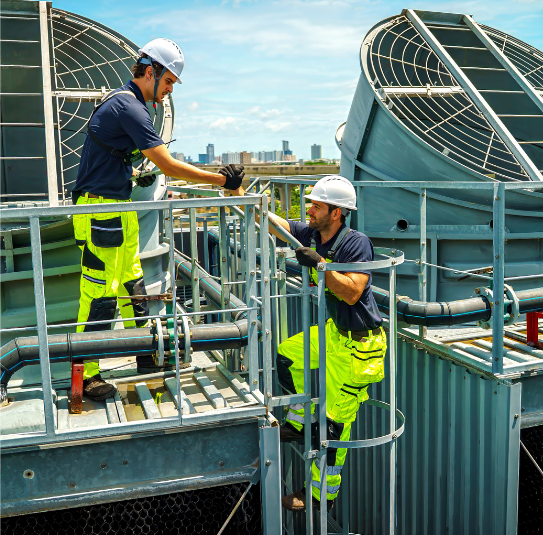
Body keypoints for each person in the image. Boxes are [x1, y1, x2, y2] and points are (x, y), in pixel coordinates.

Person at [72, 38, 245, 401]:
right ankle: (86, 376)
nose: (168, 91)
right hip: (99, 211)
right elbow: (168, 163)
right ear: (151, 72)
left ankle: (148, 355)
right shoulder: (128, 106)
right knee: (99, 294)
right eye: (168, 82)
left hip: (118, 208)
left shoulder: (131, 105)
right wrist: (221, 180)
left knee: (132, 285)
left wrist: (134, 176)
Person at [235, 175, 386, 512]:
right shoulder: (314, 233)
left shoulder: (354, 242)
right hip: (335, 334)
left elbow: (352, 291)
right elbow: (270, 222)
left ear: (337, 212)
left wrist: (320, 265)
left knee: (336, 425)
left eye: (316, 205)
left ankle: (321, 494)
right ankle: (299, 422)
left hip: (360, 347)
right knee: (289, 356)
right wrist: (237, 191)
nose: (309, 208)